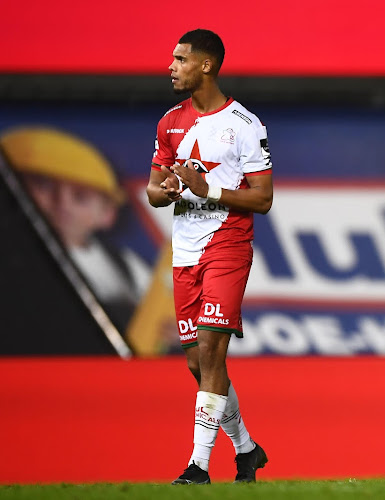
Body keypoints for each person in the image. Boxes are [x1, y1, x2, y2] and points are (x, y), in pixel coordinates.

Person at [146, 29, 273, 485]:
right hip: (185, 251)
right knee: (198, 364)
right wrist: (166, 190)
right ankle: (247, 449)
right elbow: (153, 190)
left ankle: (198, 467)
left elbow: (262, 199)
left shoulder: (244, 123)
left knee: (211, 350)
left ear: (206, 65)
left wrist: (209, 190)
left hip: (228, 245)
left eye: (180, 58)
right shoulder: (169, 122)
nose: (171, 65)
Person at [0, 126, 151, 332]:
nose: (63, 203)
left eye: (80, 196)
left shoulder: (126, 264)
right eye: (43, 185)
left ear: (107, 213)